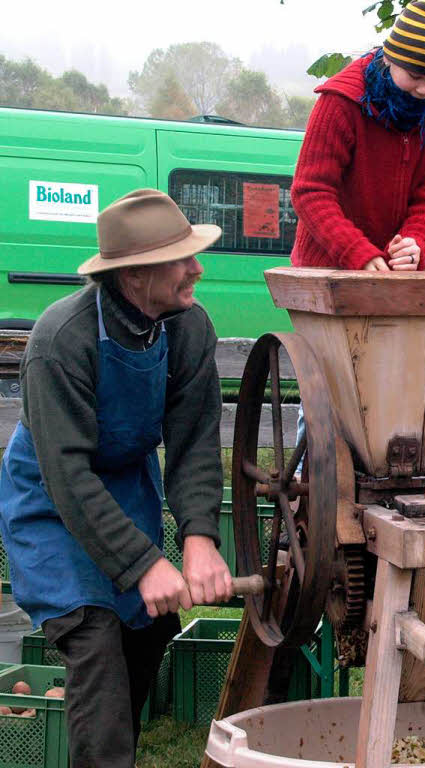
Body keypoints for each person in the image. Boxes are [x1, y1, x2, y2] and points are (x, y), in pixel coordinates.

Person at [0, 189, 233, 768]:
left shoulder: (188, 327)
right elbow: (67, 476)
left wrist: (199, 537)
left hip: (126, 490)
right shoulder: (62, 340)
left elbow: (195, 441)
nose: (197, 268)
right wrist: (145, 564)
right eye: (182, 259)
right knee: (96, 640)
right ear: (134, 276)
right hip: (52, 500)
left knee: (147, 634)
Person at [290, 0, 425, 271]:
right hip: (325, 270)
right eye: (415, 76)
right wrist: (354, 250)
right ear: (389, 57)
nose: (424, 90)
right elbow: (311, 191)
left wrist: (415, 244)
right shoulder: (340, 102)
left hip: (399, 276)